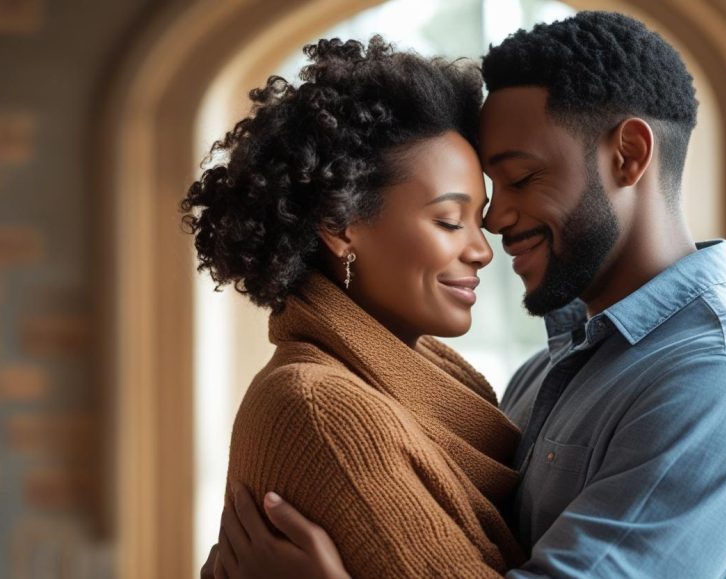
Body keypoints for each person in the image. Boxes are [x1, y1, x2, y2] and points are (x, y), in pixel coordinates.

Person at [205, 11, 726, 579]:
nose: (496, 224)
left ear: (630, 155)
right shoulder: (543, 376)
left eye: (522, 179)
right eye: (468, 209)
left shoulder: (721, 382)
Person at [182, 36, 527, 578]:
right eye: (449, 221)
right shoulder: (321, 408)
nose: (483, 250)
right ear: (341, 226)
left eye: (479, 221)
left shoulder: (424, 381)